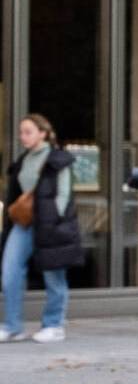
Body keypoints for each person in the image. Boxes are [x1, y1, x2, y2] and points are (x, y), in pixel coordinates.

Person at [2, 114, 83, 344]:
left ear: (43, 133)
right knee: (10, 271)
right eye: (21, 132)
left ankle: (54, 325)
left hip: (50, 224)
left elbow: (64, 194)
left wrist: (53, 218)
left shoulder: (57, 159)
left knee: (54, 274)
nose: (23, 137)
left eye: (28, 132)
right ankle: (13, 326)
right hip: (24, 223)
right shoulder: (23, 160)